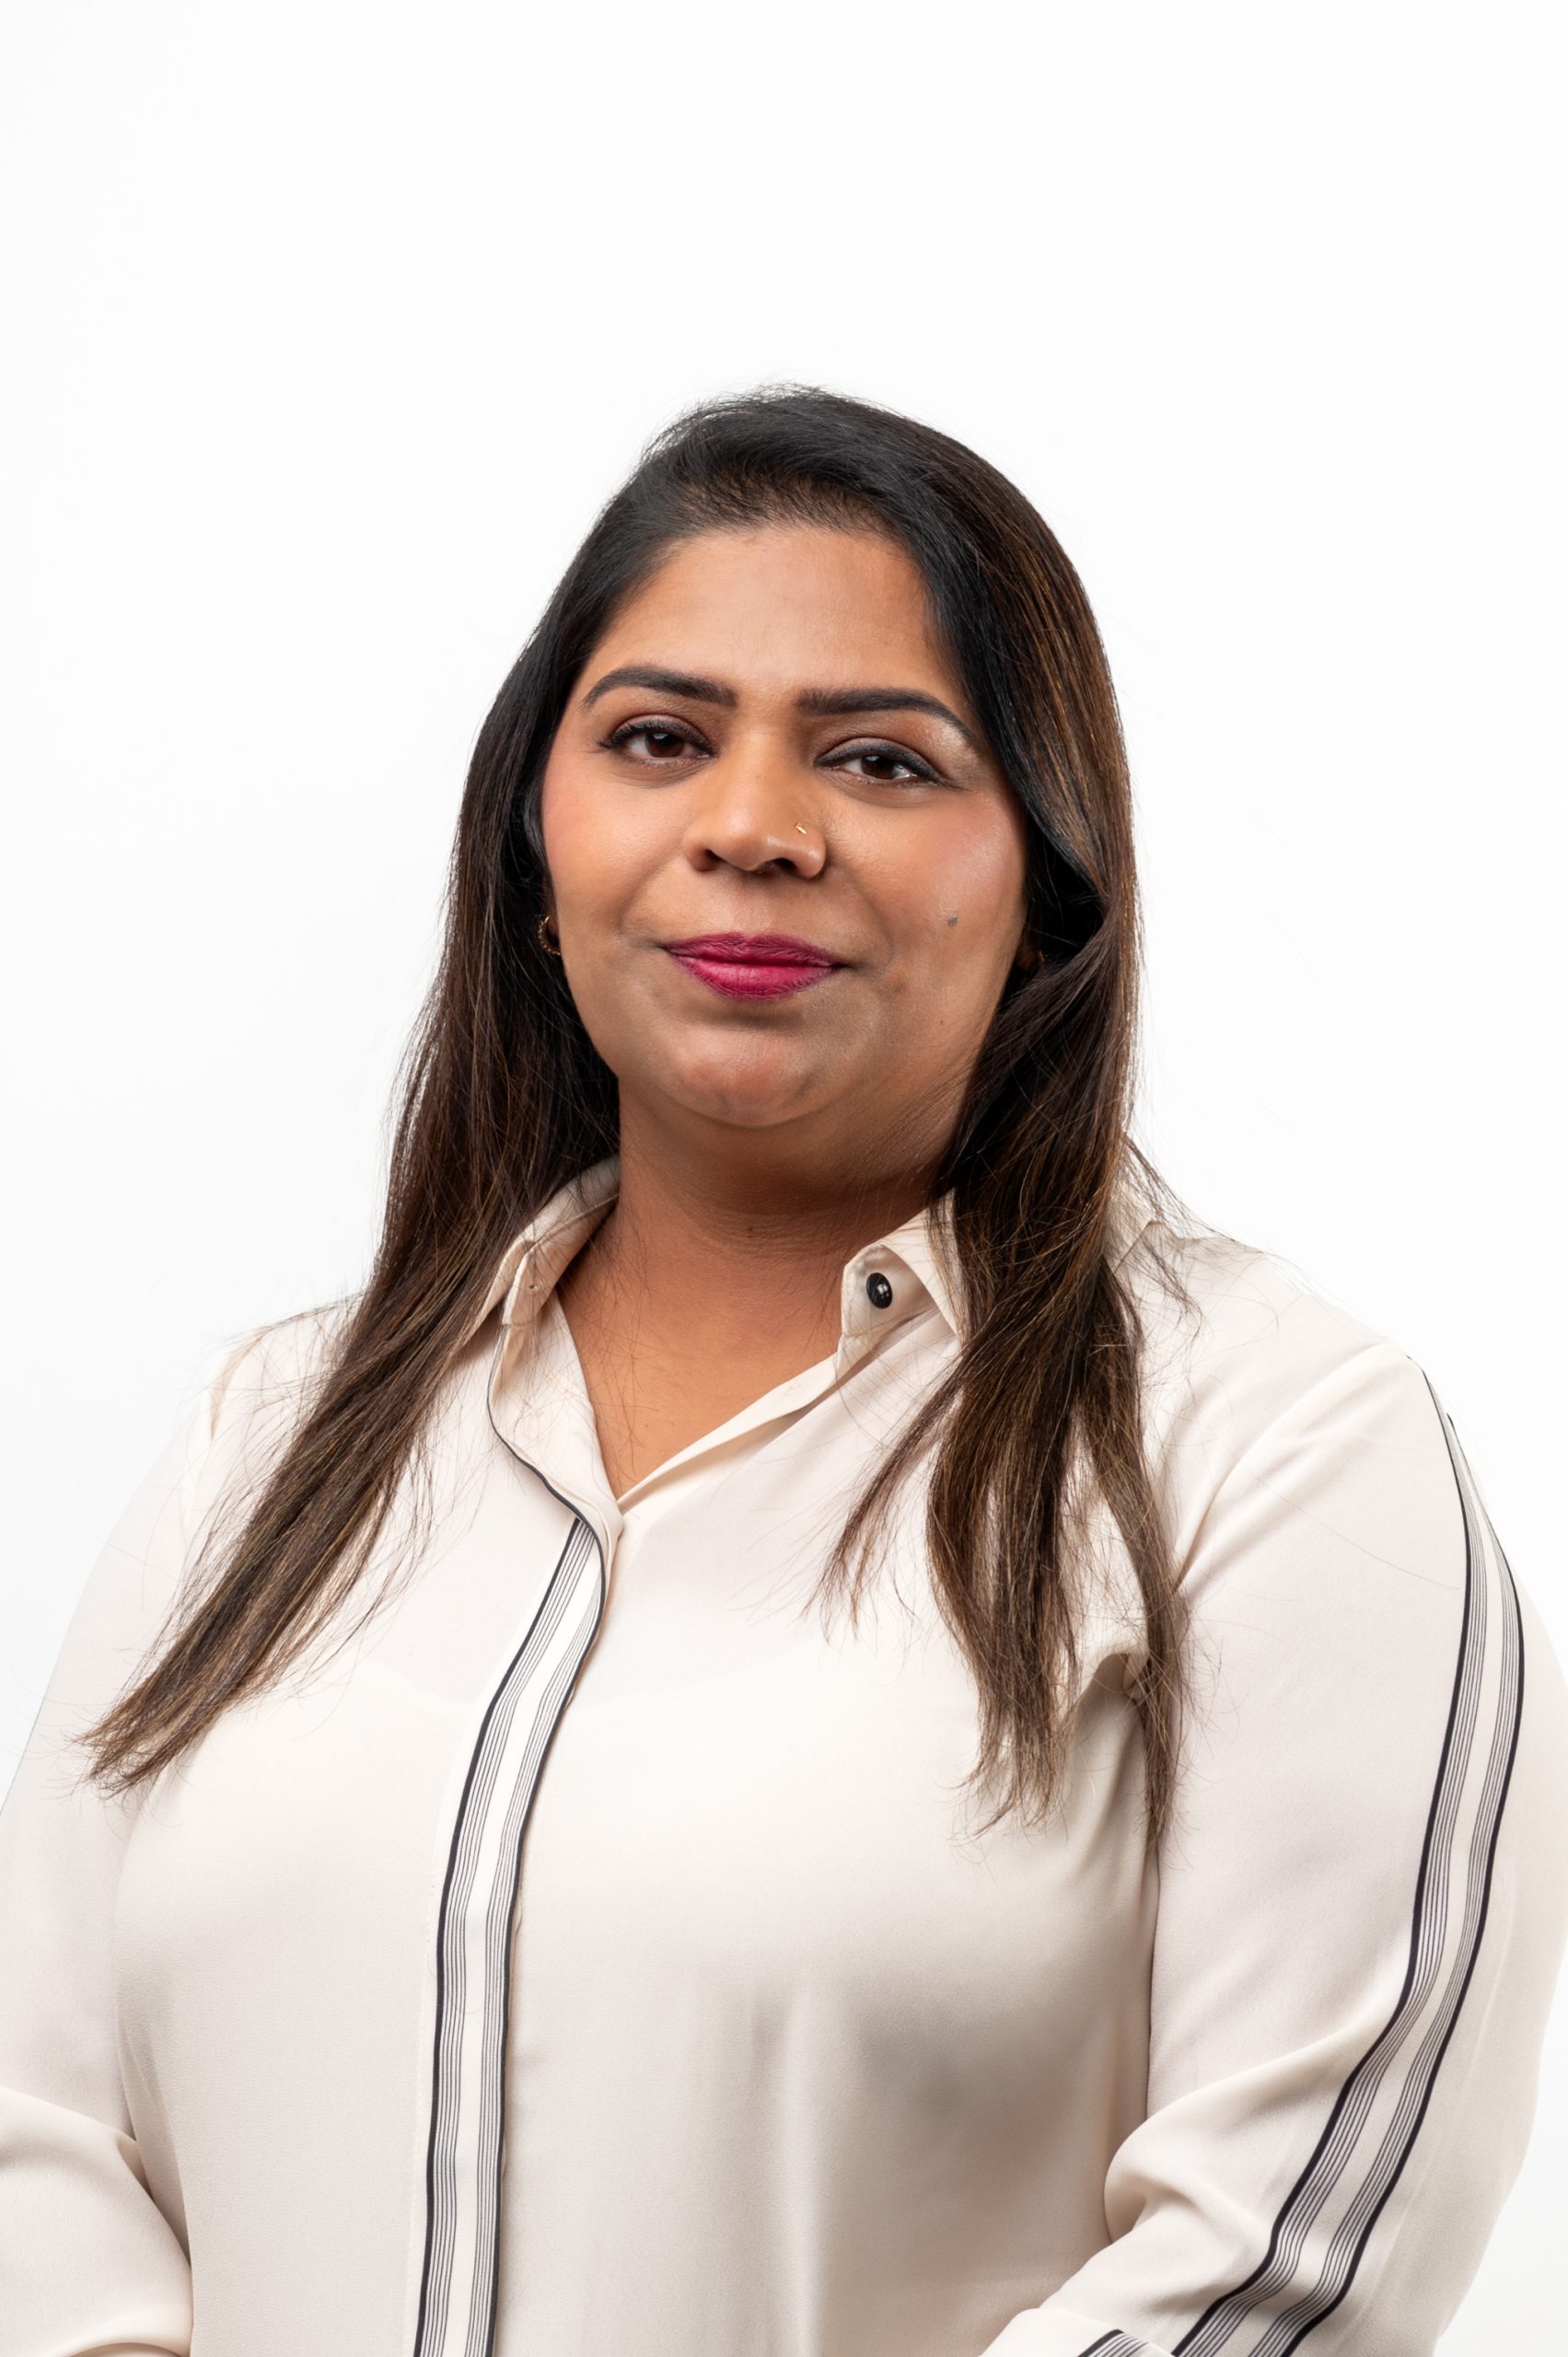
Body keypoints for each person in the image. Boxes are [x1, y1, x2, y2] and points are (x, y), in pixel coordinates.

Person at [1, 385, 1563, 2357]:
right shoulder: (278, 1437)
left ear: (1049, 880)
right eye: (659, 738)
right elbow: (40, 2143)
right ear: (537, 841)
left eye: (883, 758)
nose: (750, 826)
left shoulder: (1278, 1453)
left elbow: (1280, 2272)